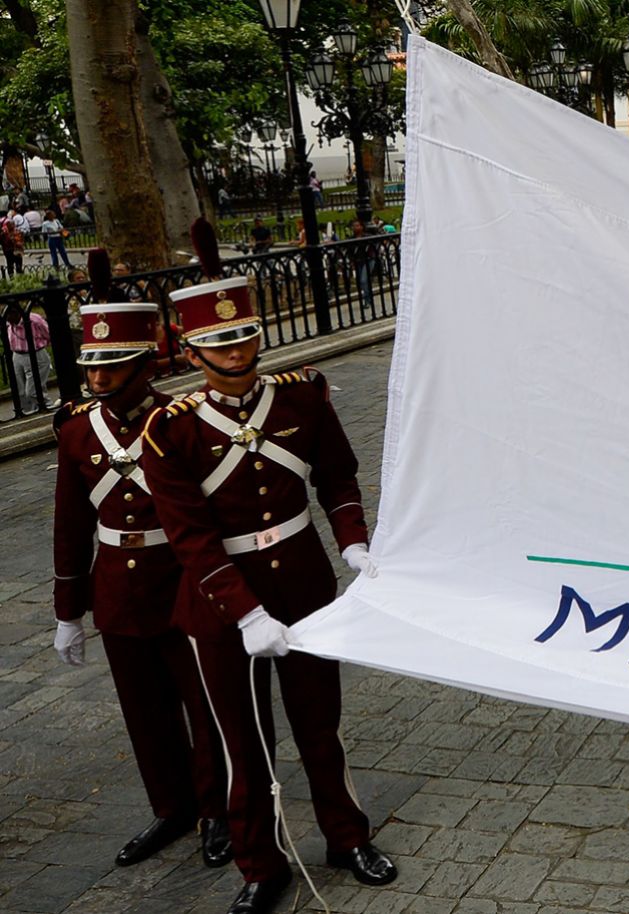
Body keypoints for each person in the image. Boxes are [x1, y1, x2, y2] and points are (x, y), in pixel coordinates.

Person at [142, 219, 397, 914]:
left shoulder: (302, 394)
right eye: (221, 341)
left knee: (322, 726)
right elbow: (188, 537)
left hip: (307, 585)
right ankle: (261, 864)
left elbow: (338, 478)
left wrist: (353, 542)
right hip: (220, 608)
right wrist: (247, 612)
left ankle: (346, 837)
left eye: (246, 335)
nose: (238, 350)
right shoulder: (171, 429)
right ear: (193, 348)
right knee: (241, 745)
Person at [51, 249, 231, 871]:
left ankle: (218, 810)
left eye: (113, 367)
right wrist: (68, 610)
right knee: (144, 709)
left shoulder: (177, 421)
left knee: (203, 705)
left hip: (182, 582)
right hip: (117, 589)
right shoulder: (75, 430)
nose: (98, 380)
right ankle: (171, 807)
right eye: (93, 368)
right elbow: (71, 523)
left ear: (145, 363)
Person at [4, 300, 55, 414]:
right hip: (17, 355)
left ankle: (48, 407)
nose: (6, 318)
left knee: (33, 390)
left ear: (16, 314)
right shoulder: (9, 323)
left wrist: (42, 344)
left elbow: (48, 333)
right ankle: (30, 412)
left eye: (8, 315)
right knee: (20, 390)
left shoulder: (33, 320)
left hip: (36, 353)